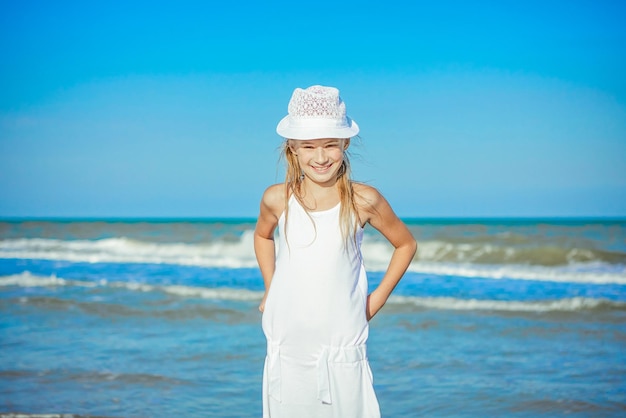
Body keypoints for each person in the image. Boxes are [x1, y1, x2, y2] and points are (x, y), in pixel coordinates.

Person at [254, 85, 417, 418]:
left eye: (330, 145)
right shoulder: (277, 198)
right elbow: (262, 237)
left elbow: (406, 244)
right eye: (309, 146)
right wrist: (271, 288)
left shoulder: (364, 200)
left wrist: (375, 300)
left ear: (345, 144)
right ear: (293, 150)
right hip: (288, 339)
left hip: (341, 340)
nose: (321, 156)